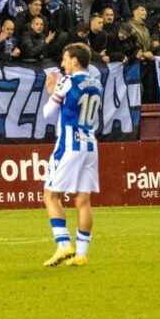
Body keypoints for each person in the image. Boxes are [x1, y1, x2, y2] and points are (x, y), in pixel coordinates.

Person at [41, 43, 104, 268]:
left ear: (75, 61)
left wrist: (52, 93)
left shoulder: (67, 82)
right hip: (90, 145)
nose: (63, 63)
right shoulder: (96, 83)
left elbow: (48, 113)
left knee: (50, 195)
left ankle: (63, 244)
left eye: (65, 59)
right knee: (83, 200)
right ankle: (82, 254)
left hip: (69, 144)